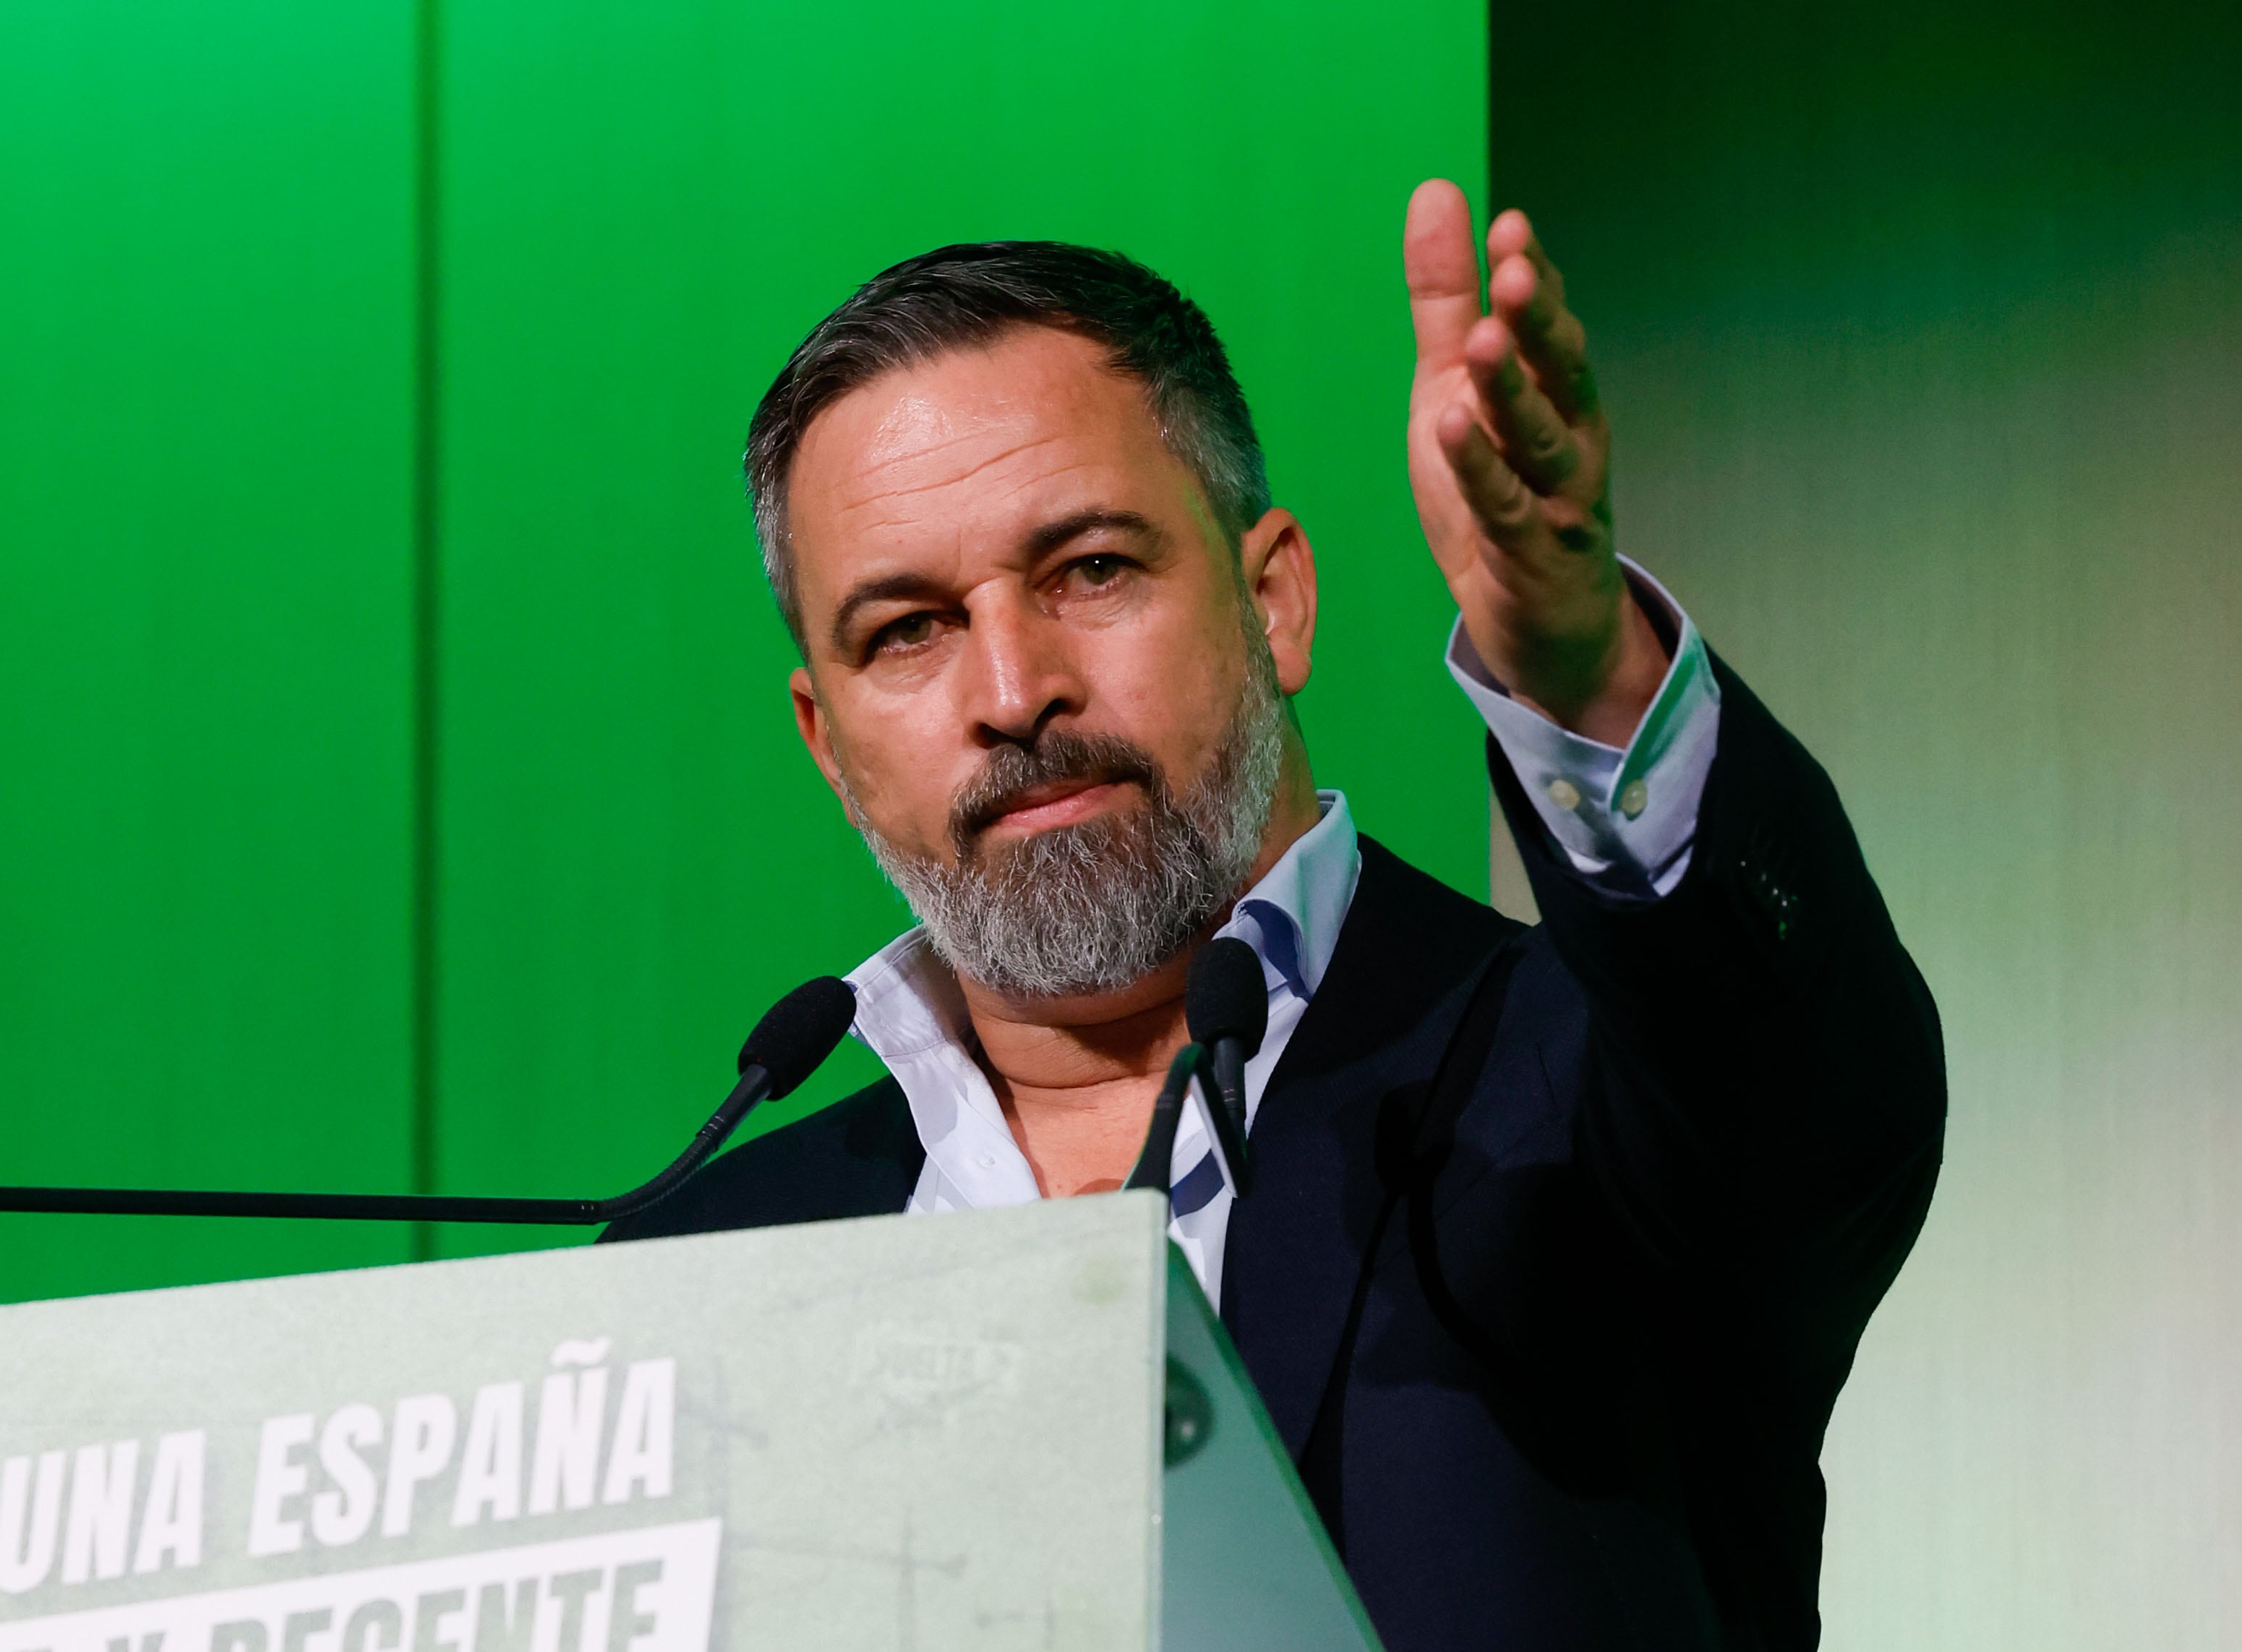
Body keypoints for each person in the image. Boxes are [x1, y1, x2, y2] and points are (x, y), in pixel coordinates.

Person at [604, 180, 1946, 1651]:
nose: (1010, 692)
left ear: (1277, 602)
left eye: (1092, 570)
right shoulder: (698, 1274)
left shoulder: (1582, 1084)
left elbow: (1810, 1084)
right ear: (828, 740)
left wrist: (1591, 678)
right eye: (908, 631)